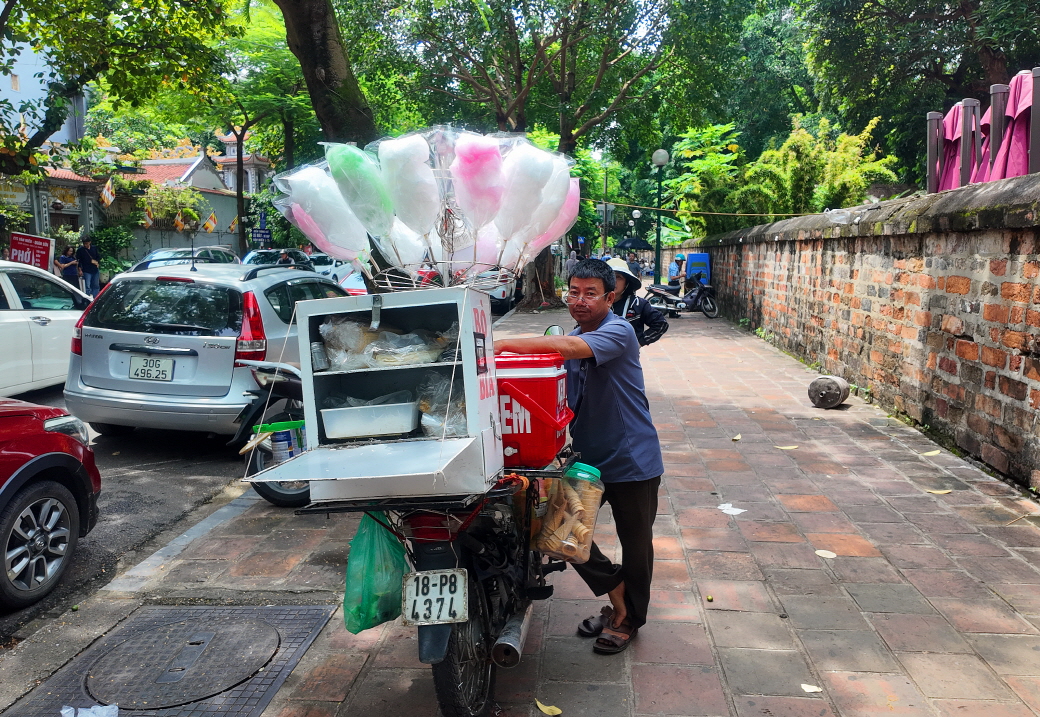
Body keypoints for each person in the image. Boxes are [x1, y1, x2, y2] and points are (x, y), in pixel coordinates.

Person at [493, 258, 664, 655]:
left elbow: (569, 348)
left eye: (591, 293)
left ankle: (629, 619)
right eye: (573, 292)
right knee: (560, 531)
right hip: (587, 457)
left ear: (610, 296)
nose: (580, 300)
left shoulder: (619, 331)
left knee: (636, 544)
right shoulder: (573, 333)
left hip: (633, 459)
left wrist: (502, 341)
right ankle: (617, 592)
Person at [607, 258, 668, 346]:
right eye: (609, 277)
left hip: (627, 358)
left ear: (626, 283)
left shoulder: (637, 304)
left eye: (618, 277)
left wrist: (639, 343)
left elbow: (661, 324)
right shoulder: (594, 302)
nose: (613, 281)